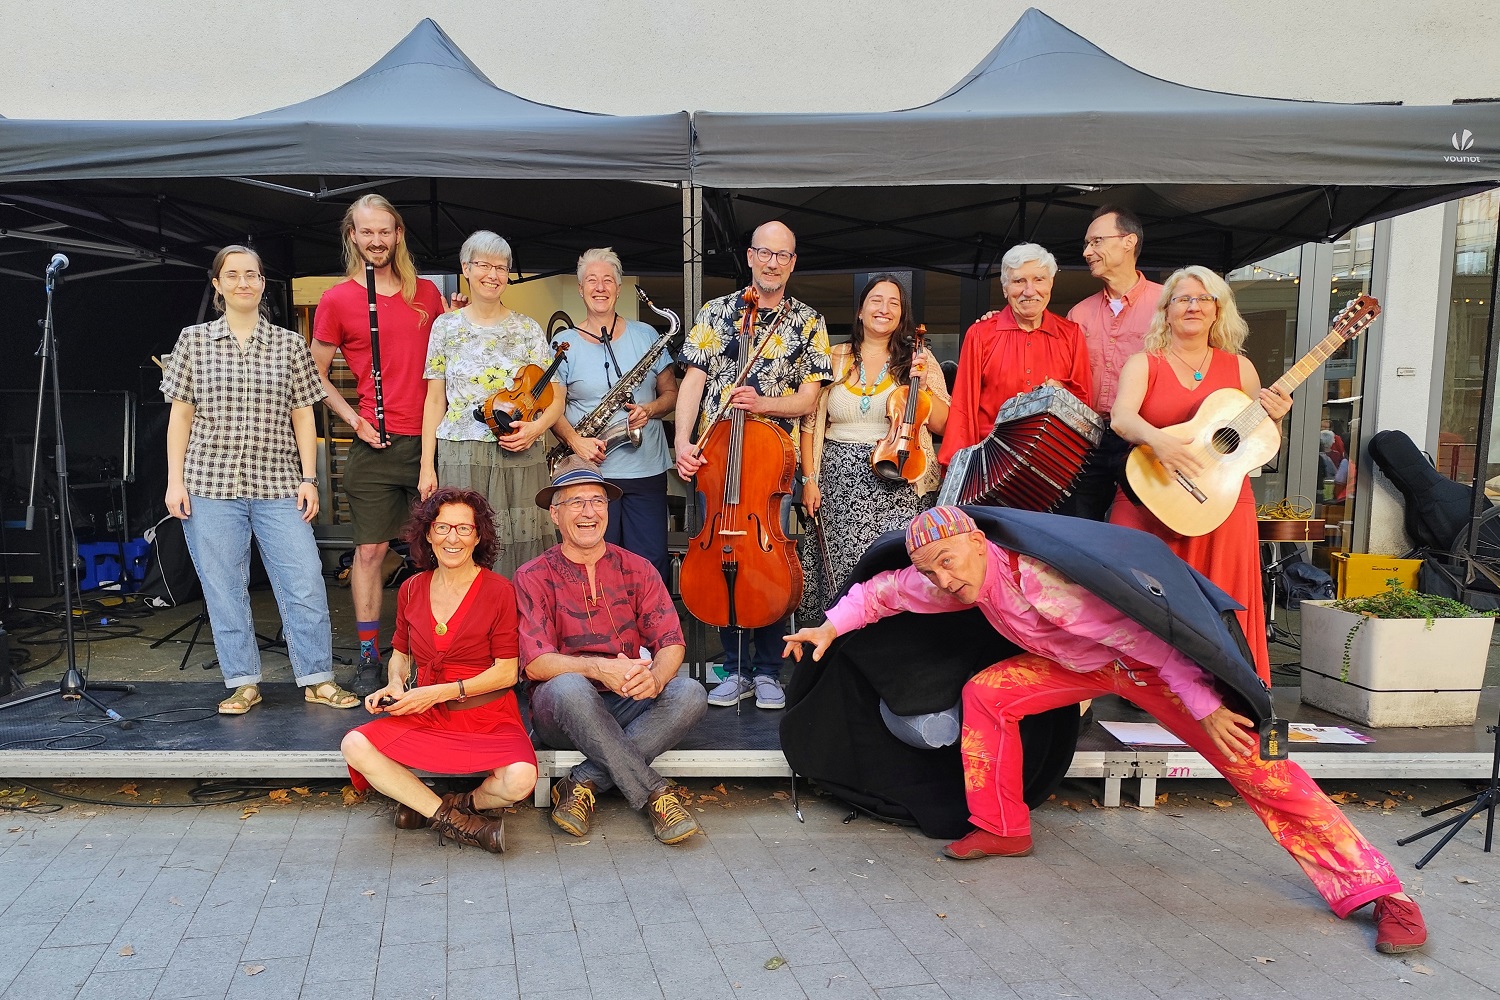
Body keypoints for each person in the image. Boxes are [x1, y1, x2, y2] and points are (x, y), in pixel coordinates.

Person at [783, 507, 1427, 956]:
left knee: (1254, 762)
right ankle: (1002, 827)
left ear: (977, 540)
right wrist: (828, 629)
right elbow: (887, 592)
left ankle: (1380, 892)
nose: (944, 579)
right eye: (934, 569)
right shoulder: (958, 583)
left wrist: (1203, 703)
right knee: (987, 695)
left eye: (949, 561)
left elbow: (1154, 635)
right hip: (1075, 665)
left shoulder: (1040, 582)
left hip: (1148, 665)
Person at [162, 245, 358, 715]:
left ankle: (317, 678)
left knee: (306, 581)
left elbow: (303, 415)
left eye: (252, 274)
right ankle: (244, 682)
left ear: (263, 282)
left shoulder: (289, 345)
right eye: (233, 275)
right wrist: (175, 481)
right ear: (218, 285)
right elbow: (181, 417)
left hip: (278, 484)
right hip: (209, 484)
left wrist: (310, 478)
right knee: (223, 587)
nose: (244, 283)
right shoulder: (193, 341)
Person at [674, 220, 832, 710]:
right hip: (715, 460)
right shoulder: (716, 312)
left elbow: (808, 399)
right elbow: (694, 382)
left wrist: (763, 404)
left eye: (783, 255)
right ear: (749, 255)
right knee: (721, 556)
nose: (773, 262)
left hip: (772, 467)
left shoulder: (807, 320)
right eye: (765, 253)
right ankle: (734, 668)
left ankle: (767, 670)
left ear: (793, 262)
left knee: (769, 564)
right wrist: (682, 440)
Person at [1108, 266, 1287, 684]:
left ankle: (1225, 686)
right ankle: (1146, 687)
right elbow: (1121, 419)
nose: (1192, 306)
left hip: (1220, 499)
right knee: (1145, 595)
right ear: (1166, 311)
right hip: (1151, 496)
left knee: (1221, 595)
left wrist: (1276, 418)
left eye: (1203, 299)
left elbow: (1258, 440)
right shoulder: (1144, 363)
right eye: (1182, 299)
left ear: (1217, 311)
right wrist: (1159, 441)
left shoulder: (1240, 369)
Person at [515, 461, 707, 845]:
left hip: (626, 703)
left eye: (597, 501)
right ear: (555, 514)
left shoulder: (637, 568)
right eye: (576, 503)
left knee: (690, 692)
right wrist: (600, 669)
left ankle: (582, 783)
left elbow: (671, 642)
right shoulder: (532, 575)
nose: (589, 512)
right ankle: (654, 792)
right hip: (564, 711)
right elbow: (536, 663)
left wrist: (654, 679)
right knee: (570, 685)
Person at [340, 488, 535, 853]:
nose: (452, 538)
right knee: (354, 743)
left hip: (485, 715)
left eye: (464, 529)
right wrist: (396, 684)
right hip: (426, 713)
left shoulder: (499, 591)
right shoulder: (411, 588)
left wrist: (436, 692)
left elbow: (507, 673)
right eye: (443, 527)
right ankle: (455, 822)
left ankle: (442, 807)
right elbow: (400, 654)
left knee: (521, 779)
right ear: (428, 534)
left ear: (478, 537)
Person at [311, 194, 449, 695]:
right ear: (352, 236)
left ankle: (430, 653)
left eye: (384, 231)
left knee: (437, 553)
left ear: (398, 235)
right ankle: (369, 655)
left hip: (431, 442)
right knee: (369, 552)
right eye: (366, 232)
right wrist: (353, 420)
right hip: (375, 444)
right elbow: (314, 373)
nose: (376, 241)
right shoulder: (337, 299)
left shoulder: (428, 294)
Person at [799, 274, 949, 616]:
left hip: (898, 481)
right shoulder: (833, 357)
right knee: (840, 576)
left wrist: (922, 384)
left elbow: (943, 423)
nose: (884, 309)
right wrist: (809, 480)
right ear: (860, 312)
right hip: (837, 485)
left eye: (894, 303)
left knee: (891, 574)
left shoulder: (919, 359)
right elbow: (809, 426)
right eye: (876, 301)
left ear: (902, 315)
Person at [419, 230, 560, 578]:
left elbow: (554, 396)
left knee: (524, 543)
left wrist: (536, 429)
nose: (493, 274)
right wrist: (427, 466)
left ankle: (520, 625)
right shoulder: (445, 327)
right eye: (484, 265)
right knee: (464, 537)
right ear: (466, 268)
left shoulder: (527, 329)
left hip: (520, 450)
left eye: (501, 267)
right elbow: (435, 399)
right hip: (461, 451)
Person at [551, 248, 679, 579]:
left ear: (618, 289)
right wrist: (575, 440)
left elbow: (671, 394)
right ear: (580, 289)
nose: (600, 287)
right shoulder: (564, 343)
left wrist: (649, 409)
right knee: (595, 563)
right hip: (591, 474)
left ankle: (649, 630)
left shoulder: (647, 335)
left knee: (650, 563)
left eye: (608, 280)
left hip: (646, 470)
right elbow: (552, 409)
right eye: (591, 280)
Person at [938, 244, 1091, 467]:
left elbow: (1084, 407)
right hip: (991, 463)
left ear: (1051, 284)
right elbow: (964, 408)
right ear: (1004, 289)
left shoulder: (1071, 335)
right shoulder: (980, 334)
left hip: (1054, 464)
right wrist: (957, 467)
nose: (1029, 291)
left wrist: (1061, 393)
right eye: (1019, 281)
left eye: (1039, 279)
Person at [1060, 206, 1164, 521]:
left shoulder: (1166, 306)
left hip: (1144, 438)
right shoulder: (1079, 314)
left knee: (1144, 528)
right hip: (1086, 437)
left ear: (1129, 241)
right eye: (1086, 244)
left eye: (1096, 242)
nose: (1087, 252)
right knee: (1076, 530)